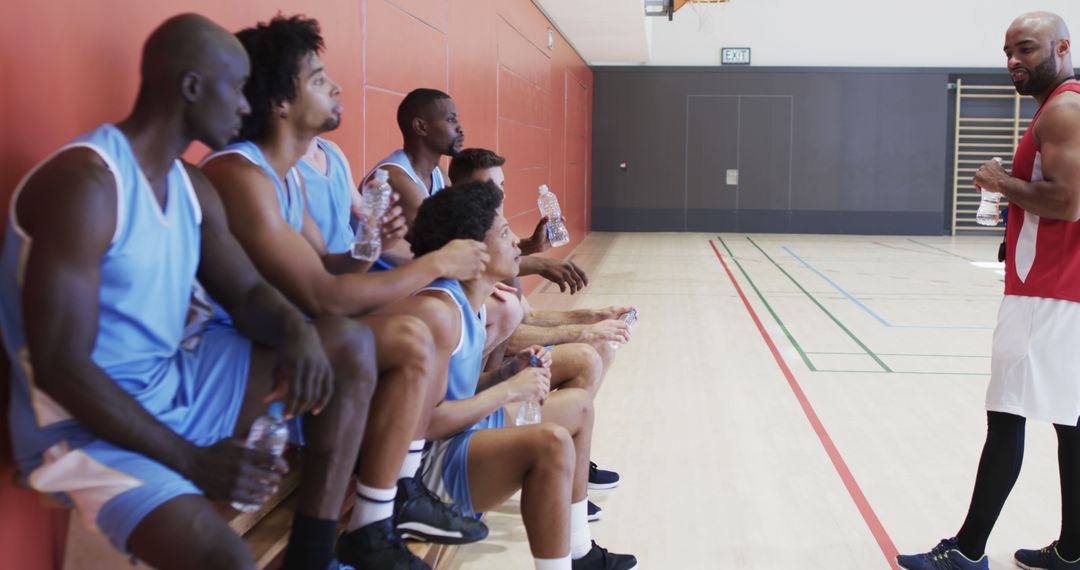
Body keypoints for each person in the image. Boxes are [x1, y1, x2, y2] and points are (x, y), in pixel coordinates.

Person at [0, 14, 377, 570]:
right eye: (236, 90)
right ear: (192, 87)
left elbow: (248, 293)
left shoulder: (190, 184)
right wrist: (192, 461)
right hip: (85, 427)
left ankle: (312, 559)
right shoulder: (87, 184)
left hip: (176, 383)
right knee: (222, 556)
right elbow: (61, 368)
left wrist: (297, 330)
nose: (247, 106)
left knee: (346, 345)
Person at [199, 16, 489, 567]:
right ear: (281, 102)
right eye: (316, 78)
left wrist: (367, 246)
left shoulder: (277, 174)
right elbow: (323, 297)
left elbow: (329, 265)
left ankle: (386, 504)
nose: (334, 88)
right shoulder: (240, 176)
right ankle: (381, 510)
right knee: (411, 331)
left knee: (423, 324)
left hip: (284, 335)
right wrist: (434, 261)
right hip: (233, 350)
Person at [897, 11, 1080, 570]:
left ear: (1062, 48)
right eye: (1008, 51)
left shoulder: (1065, 110)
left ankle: (967, 551)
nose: (1013, 61)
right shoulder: (1061, 107)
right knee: (1070, 423)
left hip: (1046, 297)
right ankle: (1073, 552)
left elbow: (1069, 202)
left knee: (1006, 418)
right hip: (1059, 290)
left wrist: (1002, 183)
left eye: (1026, 49)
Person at [394, 180, 638, 570]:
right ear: (471, 250)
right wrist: (509, 389)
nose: (515, 244)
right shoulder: (441, 313)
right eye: (504, 233)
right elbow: (423, 424)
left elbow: (453, 393)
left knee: (578, 407)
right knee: (551, 443)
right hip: (425, 475)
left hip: (461, 436)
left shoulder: (471, 303)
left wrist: (507, 371)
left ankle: (578, 551)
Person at [361, 88, 460, 269]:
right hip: (384, 284)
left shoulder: (439, 173)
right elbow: (444, 245)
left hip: (422, 271)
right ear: (421, 127)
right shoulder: (396, 178)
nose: (460, 129)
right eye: (451, 120)